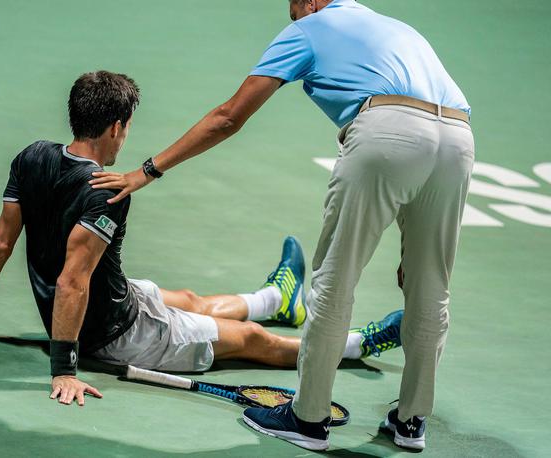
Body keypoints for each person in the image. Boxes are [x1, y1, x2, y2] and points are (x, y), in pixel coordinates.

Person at [89, 0, 474, 451]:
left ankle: (308, 418)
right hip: (459, 139)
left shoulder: (309, 27)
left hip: (388, 130)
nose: (290, 13)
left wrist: (147, 170)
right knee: (431, 290)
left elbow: (229, 116)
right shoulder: (393, 27)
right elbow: (431, 130)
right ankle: (412, 423)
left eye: (292, 4)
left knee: (334, 282)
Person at [0, 71, 403, 409]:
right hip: (120, 333)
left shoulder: (31, 156)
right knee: (251, 343)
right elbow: (73, 281)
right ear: (116, 127)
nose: (126, 138)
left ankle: (278, 296)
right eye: (128, 128)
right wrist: (64, 369)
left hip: (117, 300)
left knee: (186, 300)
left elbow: (0, 244)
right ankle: (359, 345)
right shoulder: (109, 193)